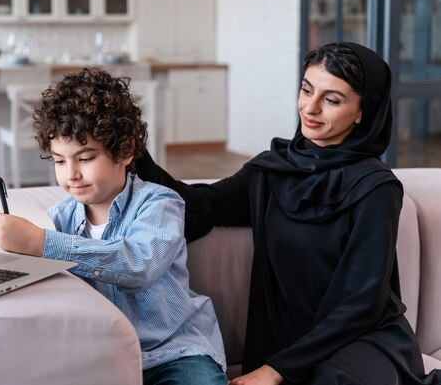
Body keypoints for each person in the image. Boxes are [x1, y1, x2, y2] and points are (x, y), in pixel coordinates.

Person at [135, 42, 441, 385]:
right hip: (288, 341)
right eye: (307, 89)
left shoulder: (376, 188)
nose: (310, 108)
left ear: (361, 113)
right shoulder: (273, 170)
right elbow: (198, 208)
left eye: (332, 99)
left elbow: (363, 303)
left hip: (360, 340)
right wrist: (134, 153)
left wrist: (276, 370)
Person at [0, 68, 228, 385]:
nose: (70, 174)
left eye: (85, 158)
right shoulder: (58, 218)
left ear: (126, 150)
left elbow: (139, 264)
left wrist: (41, 244)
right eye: (60, 161)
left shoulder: (159, 204)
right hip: (101, 356)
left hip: (174, 354)